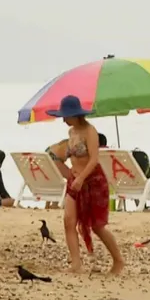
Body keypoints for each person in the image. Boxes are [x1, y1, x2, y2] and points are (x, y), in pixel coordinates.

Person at [46, 95, 124, 274]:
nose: (63, 120)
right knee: (68, 221)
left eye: (66, 116)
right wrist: (70, 172)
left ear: (76, 115)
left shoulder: (90, 131)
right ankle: (76, 264)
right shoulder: (71, 132)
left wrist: (81, 178)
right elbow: (64, 155)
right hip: (74, 180)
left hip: (92, 180)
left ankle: (118, 260)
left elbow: (94, 159)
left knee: (97, 226)